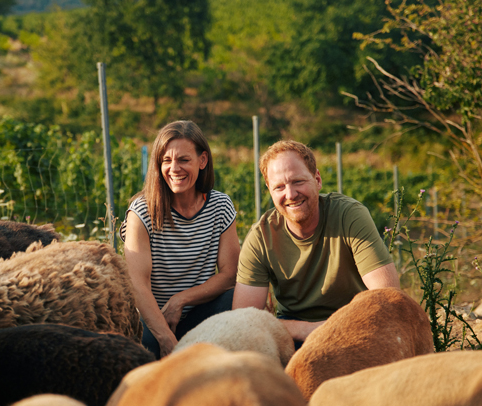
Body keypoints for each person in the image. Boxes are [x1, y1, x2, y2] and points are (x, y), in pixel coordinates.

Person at [232, 140, 400, 345]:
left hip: (356, 323)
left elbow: (388, 298)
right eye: (279, 187)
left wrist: (330, 329)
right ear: (269, 190)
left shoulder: (349, 215)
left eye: (298, 181)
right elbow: (242, 320)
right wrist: (308, 330)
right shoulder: (261, 237)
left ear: (317, 179)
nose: (291, 194)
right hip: (294, 332)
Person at [121, 120, 240, 359]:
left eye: (184, 160)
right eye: (166, 160)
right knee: (144, 353)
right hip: (153, 320)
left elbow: (229, 275)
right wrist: (165, 337)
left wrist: (181, 300)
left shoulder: (220, 206)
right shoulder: (142, 212)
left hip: (199, 313)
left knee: (239, 298)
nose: (174, 168)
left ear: (202, 161)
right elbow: (137, 284)